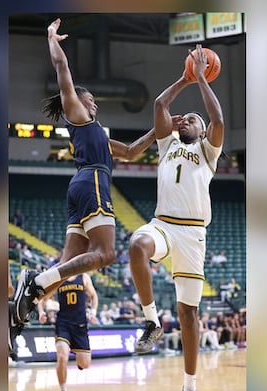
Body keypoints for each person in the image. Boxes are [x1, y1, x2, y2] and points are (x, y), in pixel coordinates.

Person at [9, 17, 157, 356]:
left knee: (64, 268)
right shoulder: (78, 115)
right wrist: (52, 39)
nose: (94, 103)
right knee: (107, 254)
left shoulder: (97, 135)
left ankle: (14, 318)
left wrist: (157, 131)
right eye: (90, 99)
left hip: (80, 186)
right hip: (92, 181)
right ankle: (33, 282)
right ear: (78, 100)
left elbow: (131, 151)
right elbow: (62, 68)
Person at [128, 44, 224, 391]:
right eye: (184, 119)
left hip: (193, 235)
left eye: (193, 120)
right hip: (163, 225)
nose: (186, 121)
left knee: (188, 314)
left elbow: (218, 118)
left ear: (202, 132)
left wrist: (201, 78)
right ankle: (151, 322)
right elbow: (159, 105)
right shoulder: (167, 144)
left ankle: (189, 389)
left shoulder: (208, 152)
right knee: (137, 245)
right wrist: (184, 80)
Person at [37, 272, 98, 391]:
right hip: (63, 323)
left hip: (80, 325)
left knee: (85, 364)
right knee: (62, 356)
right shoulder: (59, 279)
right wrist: (41, 312)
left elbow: (93, 295)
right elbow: (42, 298)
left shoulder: (83, 277)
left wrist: (93, 312)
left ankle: (78, 357)